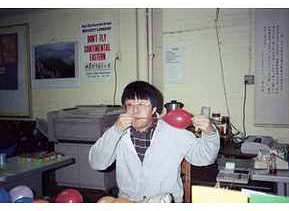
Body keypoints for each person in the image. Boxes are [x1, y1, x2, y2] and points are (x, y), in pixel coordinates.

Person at [88, 81, 220, 202]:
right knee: (104, 202)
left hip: (164, 202)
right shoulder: (117, 132)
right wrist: (115, 130)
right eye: (130, 104)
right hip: (129, 202)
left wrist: (209, 133)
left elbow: (205, 158)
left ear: (154, 109)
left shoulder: (173, 131)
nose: (135, 110)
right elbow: (96, 163)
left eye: (142, 104)